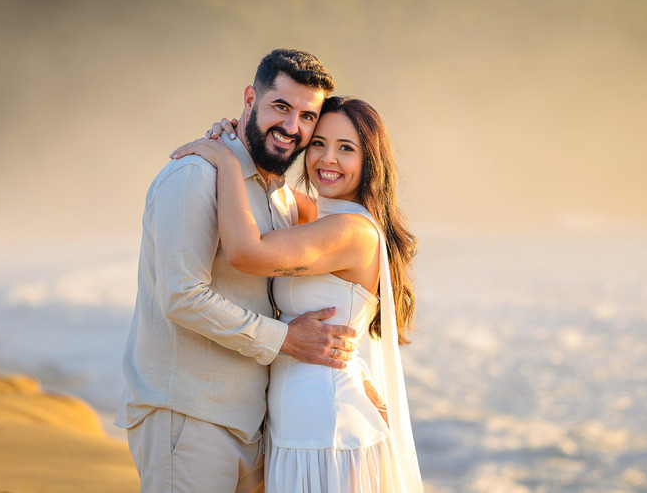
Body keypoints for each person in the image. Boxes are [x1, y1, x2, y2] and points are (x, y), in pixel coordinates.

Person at [116, 49, 359, 493]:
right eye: (281, 107)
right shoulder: (194, 175)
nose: (292, 128)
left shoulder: (282, 199)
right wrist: (285, 339)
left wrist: (358, 383)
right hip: (188, 415)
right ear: (250, 99)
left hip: (257, 424)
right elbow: (182, 295)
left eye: (308, 117)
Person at [171, 95, 423, 492]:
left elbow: (245, 252)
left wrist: (225, 161)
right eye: (319, 143)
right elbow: (270, 190)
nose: (328, 159)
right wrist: (239, 139)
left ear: (370, 161)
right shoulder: (320, 214)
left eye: (346, 149)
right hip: (295, 429)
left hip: (329, 432)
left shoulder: (352, 233)